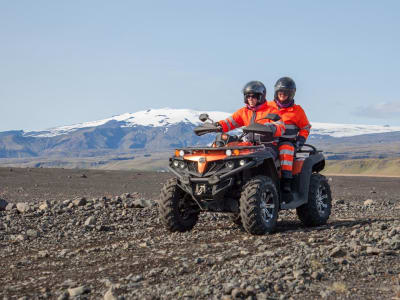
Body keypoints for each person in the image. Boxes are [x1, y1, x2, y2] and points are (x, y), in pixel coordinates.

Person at [216, 81, 286, 158]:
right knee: (227, 152)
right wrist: (217, 125)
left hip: (267, 146)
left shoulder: (272, 110)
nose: (250, 99)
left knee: (258, 158)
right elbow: (229, 122)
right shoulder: (243, 111)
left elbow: (281, 128)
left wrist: (271, 127)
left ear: (261, 97)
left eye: (253, 96)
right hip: (248, 146)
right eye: (248, 96)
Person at [269, 77, 311, 193]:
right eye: (280, 92)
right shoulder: (268, 107)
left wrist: (300, 141)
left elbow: (305, 127)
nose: (282, 95)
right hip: (268, 141)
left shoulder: (297, 111)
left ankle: (286, 180)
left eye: (285, 93)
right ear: (276, 93)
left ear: (291, 94)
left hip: (287, 141)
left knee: (285, 149)